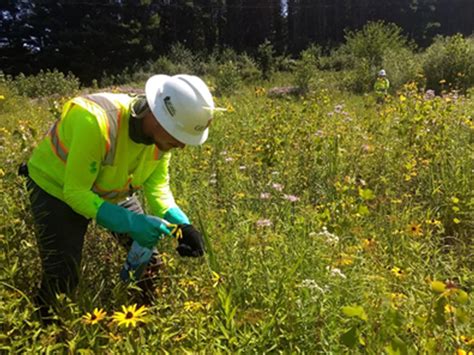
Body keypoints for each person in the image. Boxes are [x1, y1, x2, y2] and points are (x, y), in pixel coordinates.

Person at [23, 74, 216, 321]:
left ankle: (142, 321)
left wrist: (182, 225)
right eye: (180, 138)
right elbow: (76, 193)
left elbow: (157, 187)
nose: (182, 146)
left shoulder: (162, 139)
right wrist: (133, 223)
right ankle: (44, 329)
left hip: (109, 191)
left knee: (151, 262)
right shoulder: (95, 120)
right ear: (158, 119)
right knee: (63, 273)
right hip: (55, 189)